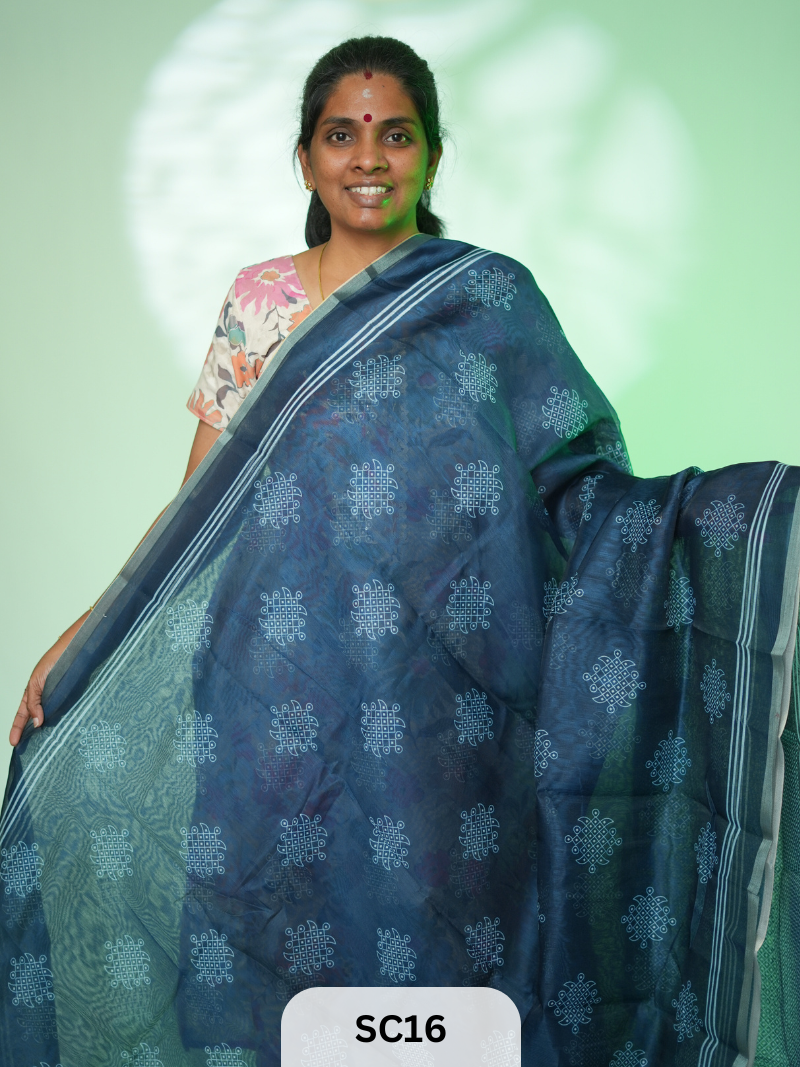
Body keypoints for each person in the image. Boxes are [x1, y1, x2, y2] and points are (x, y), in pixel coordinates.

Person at [2, 35, 798, 1067]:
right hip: (263, 687)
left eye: (395, 135)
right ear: (304, 159)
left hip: (440, 704)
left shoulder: (487, 301)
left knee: (439, 946)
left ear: (431, 155)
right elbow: (196, 508)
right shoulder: (261, 301)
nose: (368, 158)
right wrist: (83, 638)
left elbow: (574, 491)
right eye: (341, 135)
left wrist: (735, 517)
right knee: (262, 926)